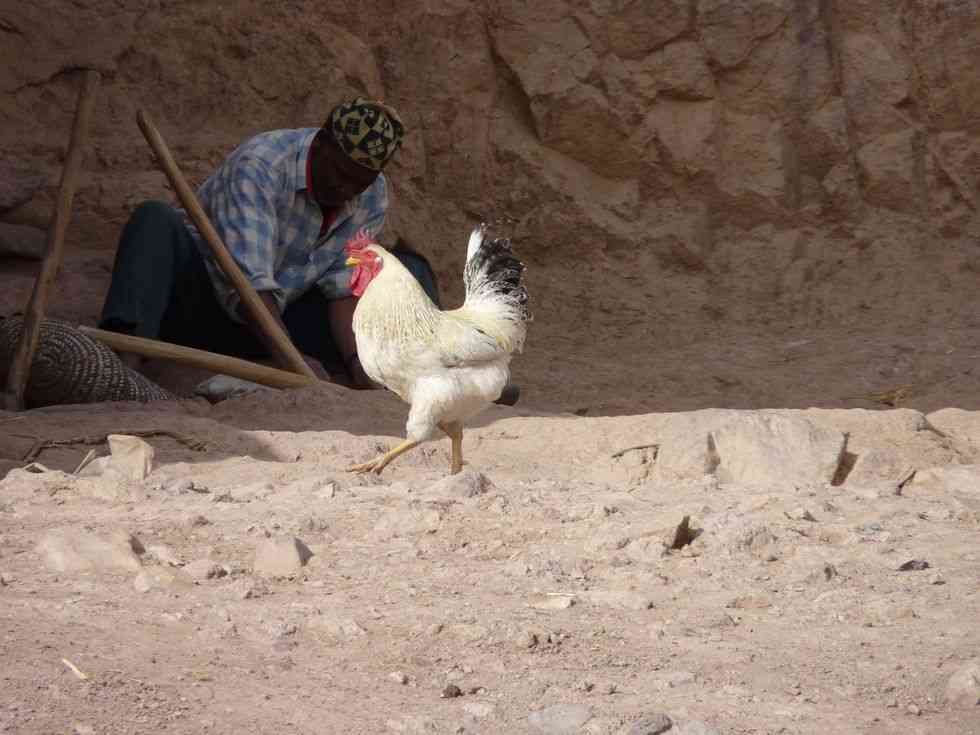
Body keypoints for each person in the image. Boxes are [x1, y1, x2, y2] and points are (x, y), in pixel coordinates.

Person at [98, 96, 438, 389]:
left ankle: (409, 377)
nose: (343, 188)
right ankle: (124, 370)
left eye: (357, 183)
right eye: (338, 172)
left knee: (407, 270)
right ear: (320, 143)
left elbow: (342, 289)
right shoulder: (261, 165)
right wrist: (294, 364)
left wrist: (358, 365)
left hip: (283, 315)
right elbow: (250, 285)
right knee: (155, 220)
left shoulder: (372, 194)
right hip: (208, 305)